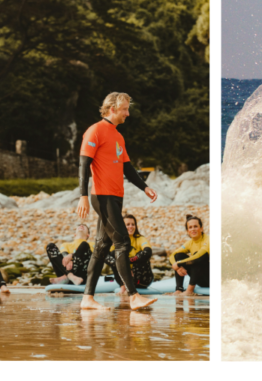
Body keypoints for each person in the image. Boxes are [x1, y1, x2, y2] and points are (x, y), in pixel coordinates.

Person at [77, 92, 159, 311]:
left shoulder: (118, 136)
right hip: (101, 196)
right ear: (111, 109)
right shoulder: (95, 131)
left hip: (116, 197)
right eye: (124, 109)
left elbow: (127, 168)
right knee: (123, 241)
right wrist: (83, 195)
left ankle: (87, 298)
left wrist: (145, 186)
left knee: (102, 247)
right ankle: (133, 296)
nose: (128, 113)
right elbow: (84, 164)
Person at [104, 214, 153, 294]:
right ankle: (123, 286)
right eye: (127, 224)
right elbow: (105, 256)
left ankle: (127, 286)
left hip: (142, 279)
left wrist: (129, 261)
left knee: (142, 254)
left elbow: (148, 252)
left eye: (133, 224)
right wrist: (124, 266)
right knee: (114, 256)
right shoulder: (117, 241)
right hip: (125, 277)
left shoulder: (140, 238)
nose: (131, 227)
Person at [169, 215, 209, 296]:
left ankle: (189, 290)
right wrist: (176, 266)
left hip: (211, 278)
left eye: (195, 226)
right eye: (190, 227)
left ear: (201, 228)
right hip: (200, 280)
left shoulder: (208, 240)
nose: (193, 229)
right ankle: (179, 289)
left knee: (196, 257)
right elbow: (172, 255)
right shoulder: (189, 243)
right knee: (179, 255)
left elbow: (198, 256)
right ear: (187, 231)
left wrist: (179, 263)